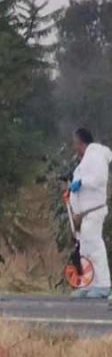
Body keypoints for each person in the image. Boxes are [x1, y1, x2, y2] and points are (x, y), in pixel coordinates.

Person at [68, 128, 112, 299]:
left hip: (94, 210)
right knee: (85, 249)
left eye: (75, 143)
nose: (74, 147)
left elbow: (100, 179)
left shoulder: (95, 156)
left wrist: (81, 183)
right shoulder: (85, 159)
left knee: (94, 247)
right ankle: (90, 283)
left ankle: (103, 285)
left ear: (82, 143)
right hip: (84, 214)